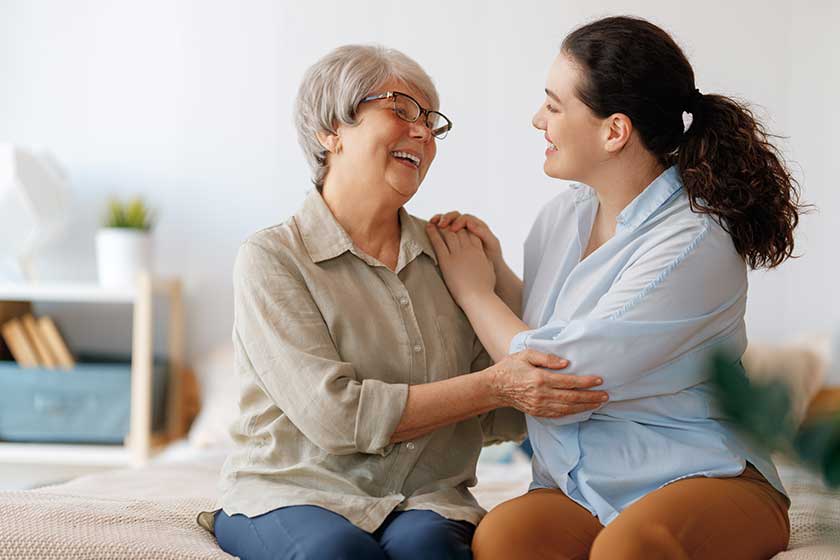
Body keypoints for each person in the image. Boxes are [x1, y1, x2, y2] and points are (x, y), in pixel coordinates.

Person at [196, 44, 608, 560]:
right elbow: (336, 417)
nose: (423, 132)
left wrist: (497, 277)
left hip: (426, 501)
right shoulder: (273, 258)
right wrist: (494, 384)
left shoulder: (453, 256)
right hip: (293, 493)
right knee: (335, 554)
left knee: (430, 549)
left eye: (431, 122)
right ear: (330, 131)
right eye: (400, 109)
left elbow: (512, 410)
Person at [427, 16, 803, 560]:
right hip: (586, 483)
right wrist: (493, 272)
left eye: (554, 106)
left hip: (707, 475)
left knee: (629, 549)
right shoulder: (563, 215)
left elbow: (560, 376)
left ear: (614, 131)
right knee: (503, 539)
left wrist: (474, 294)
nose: (538, 120)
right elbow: (550, 327)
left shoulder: (694, 241)